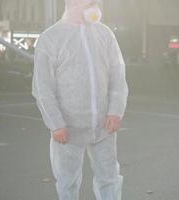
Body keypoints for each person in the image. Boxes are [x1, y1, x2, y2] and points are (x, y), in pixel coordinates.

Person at [31, 0, 129, 200]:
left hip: (104, 125)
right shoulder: (50, 38)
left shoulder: (104, 34)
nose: (96, 7)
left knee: (109, 177)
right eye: (90, 3)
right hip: (68, 127)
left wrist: (115, 110)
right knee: (68, 182)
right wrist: (56, 124)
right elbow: (43, 87)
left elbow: (118, 74)